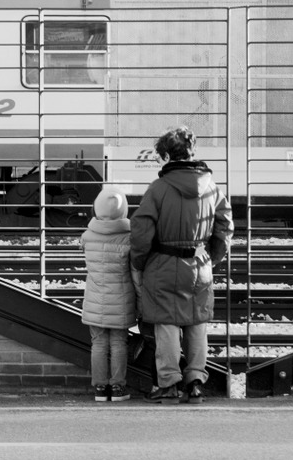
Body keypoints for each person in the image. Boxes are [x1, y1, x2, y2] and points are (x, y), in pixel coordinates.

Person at [130, 127, 234, 405]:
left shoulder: (158, 188)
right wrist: (210, 258)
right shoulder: (212, 188)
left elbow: (141, 232)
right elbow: (225, 228)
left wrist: (140, 262)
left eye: (158, 157)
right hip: (199, 264)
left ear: (166, 155)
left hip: (162, 264)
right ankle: (196, 381)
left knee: (166, 324)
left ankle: (169, 384)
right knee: (197, 322)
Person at [80, 185, 138, 402]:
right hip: (121, 299)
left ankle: (99, 389)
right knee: (118, 343)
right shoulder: (129, 237)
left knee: (98, 343)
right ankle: (117, 388)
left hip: (95, 298)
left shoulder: (87, 235)